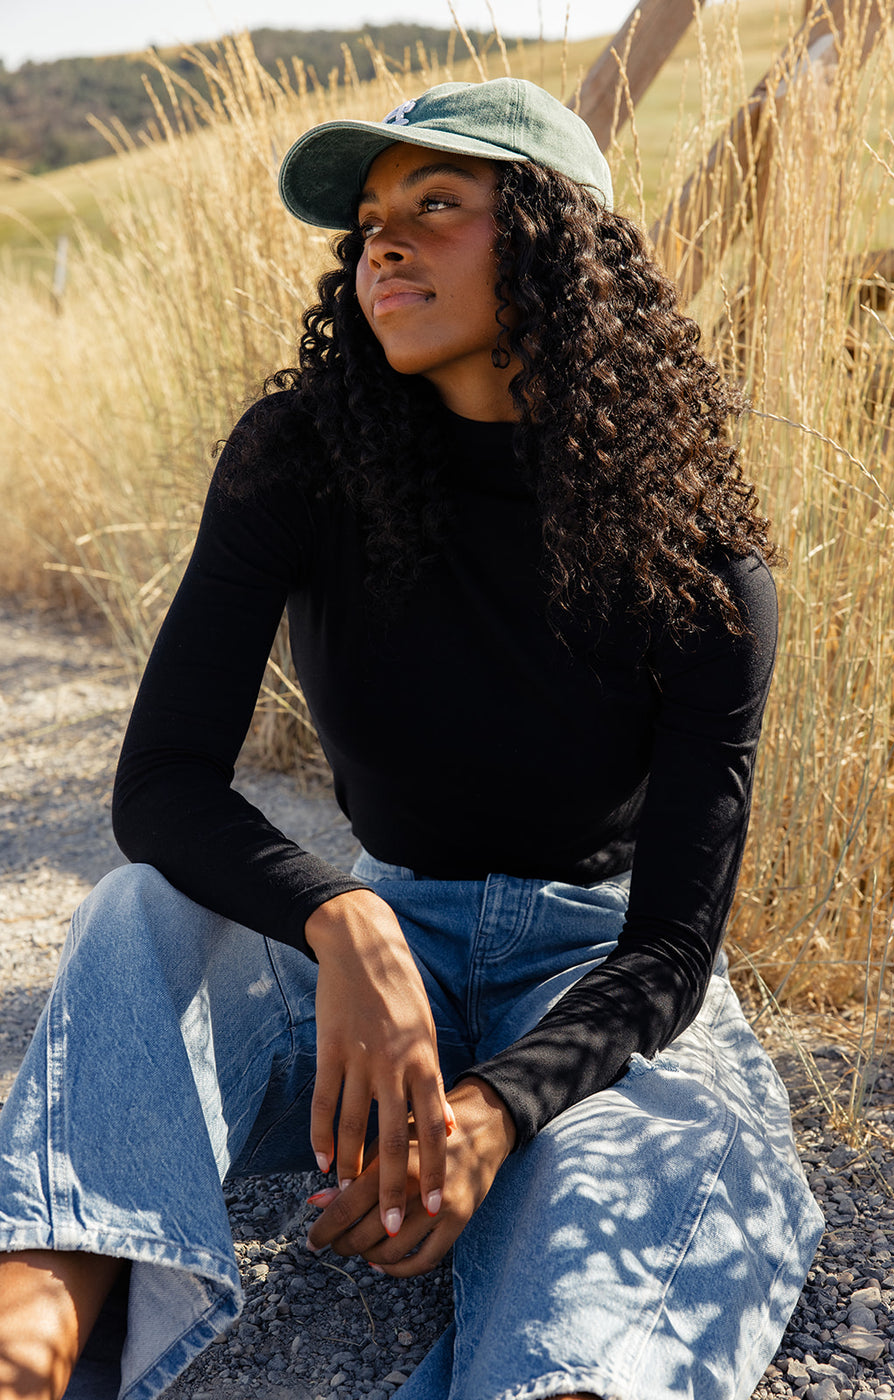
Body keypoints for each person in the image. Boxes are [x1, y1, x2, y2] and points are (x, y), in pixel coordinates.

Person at [0, 77, 823, 1400]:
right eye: (370, 221)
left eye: (435, 207)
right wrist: (346, 925)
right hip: (377, 957)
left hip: (591, 967)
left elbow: (669, 951)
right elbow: (159, 786)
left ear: (556, 244)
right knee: (136, 916)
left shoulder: (701, 561)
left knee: (665, 1159)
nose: (382, 243)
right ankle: (38, 1311)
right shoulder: (300, 458)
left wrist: (495, 1114)